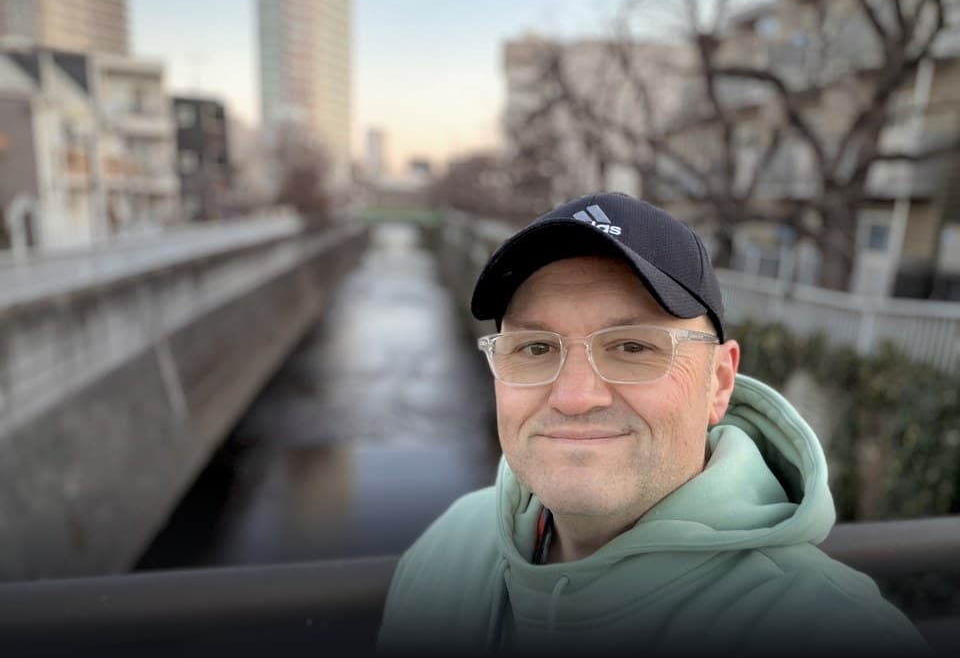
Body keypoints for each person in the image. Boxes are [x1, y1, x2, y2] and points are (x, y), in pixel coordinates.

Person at [376, 192, 930, 658]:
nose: (574, 397)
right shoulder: (446, 549)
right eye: (536, 347)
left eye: (633, 347)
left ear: (718, 382)